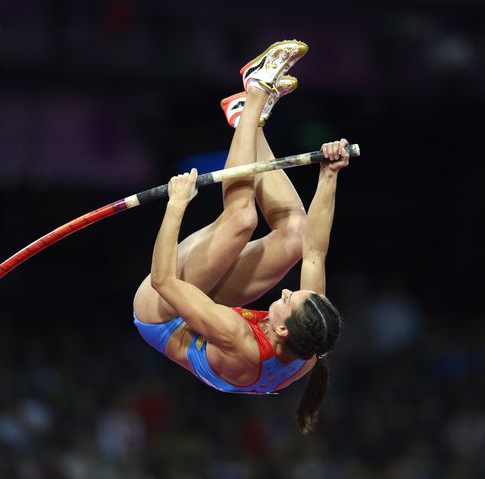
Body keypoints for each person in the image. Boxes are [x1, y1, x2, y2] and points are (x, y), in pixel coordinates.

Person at [132, 40, 350, 434]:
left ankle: (254, 91)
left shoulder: (240, 343)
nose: (284, 292)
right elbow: (314, 250)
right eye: (294, 293)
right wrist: (329, 174)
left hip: (163, 312)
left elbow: (164, 282)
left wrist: (176, 206)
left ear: (281, 330)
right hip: (207, 313)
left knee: (241, 220)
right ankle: (247, 117)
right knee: (295, 234)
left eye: (288, 301)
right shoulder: (308, 343)